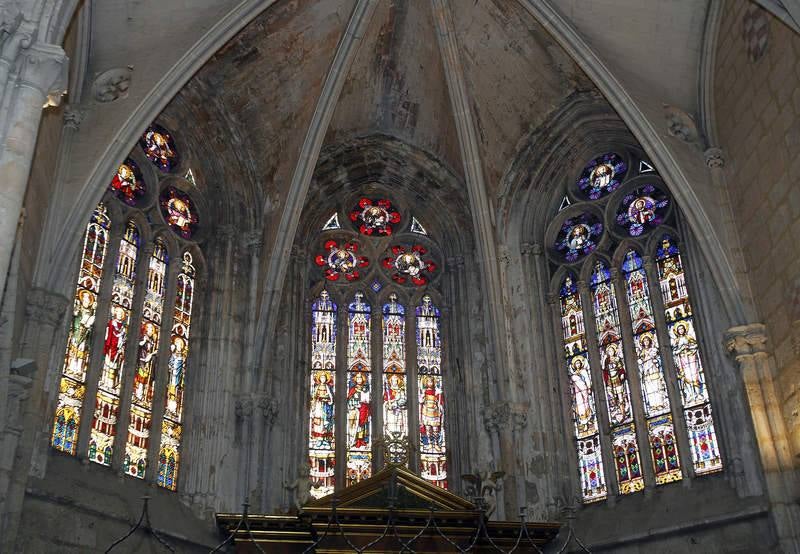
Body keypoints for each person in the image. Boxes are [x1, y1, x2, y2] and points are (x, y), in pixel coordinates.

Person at [346, 372, 370, 449]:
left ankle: (361, 440)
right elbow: (349, 399)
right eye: (358, 378)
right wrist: (354, 402)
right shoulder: (353, 389)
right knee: (354, 425)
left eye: (360, 378)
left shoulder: (366, 388)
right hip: (355, 409)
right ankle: (354, 440)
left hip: (364, 408)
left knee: (362, 425)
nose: (359, 380)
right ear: (356, 379)